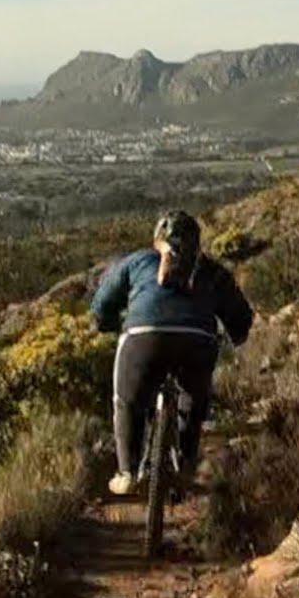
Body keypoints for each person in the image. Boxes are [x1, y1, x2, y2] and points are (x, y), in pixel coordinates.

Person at [90, 209, 253, 495]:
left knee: (127, 400)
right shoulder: (212, 271)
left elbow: (102, 304)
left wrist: (108, 324)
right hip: (197, 341)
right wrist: (234, 336)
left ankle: (127, 471)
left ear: (157, 240)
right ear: (197, 243)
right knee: (194, 398)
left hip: (143, 337)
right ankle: (186, 466)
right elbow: (241, 319)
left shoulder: (138, 261)